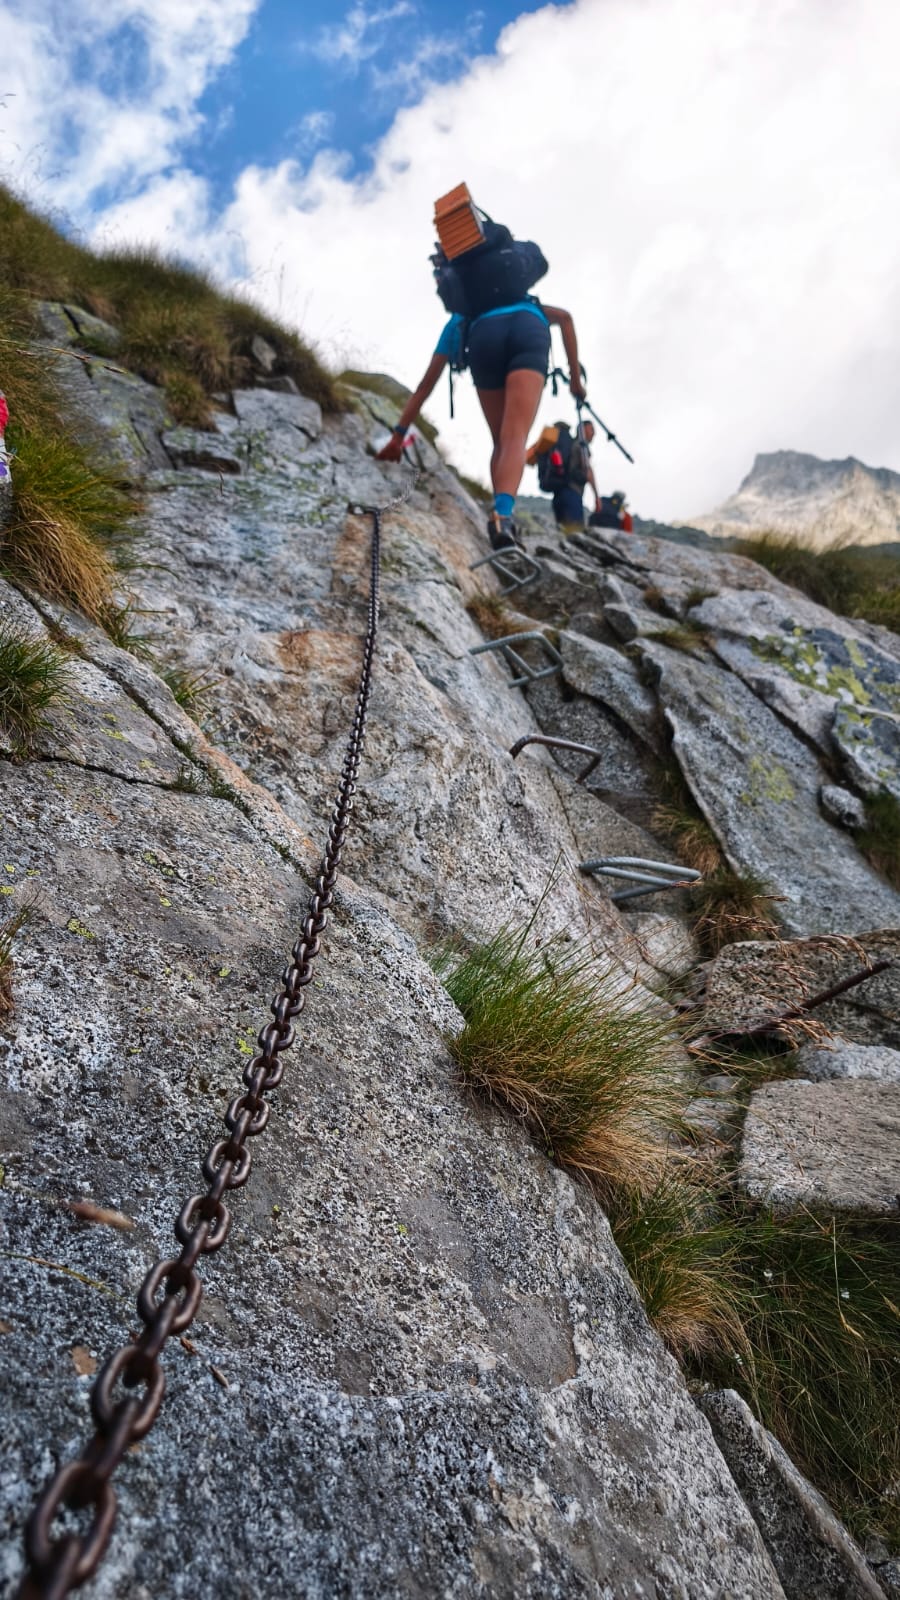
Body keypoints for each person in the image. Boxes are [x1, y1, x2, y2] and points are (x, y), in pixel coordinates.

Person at [377, 296, 585, 551]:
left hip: (485, 336)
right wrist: (575, 381)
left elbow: (425, 386)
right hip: (530, 329)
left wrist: (398, 436)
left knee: (501, 440)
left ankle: (501, 520)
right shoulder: (525, 301)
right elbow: (565, 318)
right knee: (515, 437)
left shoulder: (463, 316)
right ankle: (503, 517)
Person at [525, 417, 600, 530]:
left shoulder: (566, 445)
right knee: (575, 532)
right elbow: (588, 471)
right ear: (582, 429)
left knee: (564, 532)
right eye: (591, 430)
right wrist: (596, 496)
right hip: (572, 494)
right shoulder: (581, 446)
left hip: (558, 494)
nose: (594, 434)